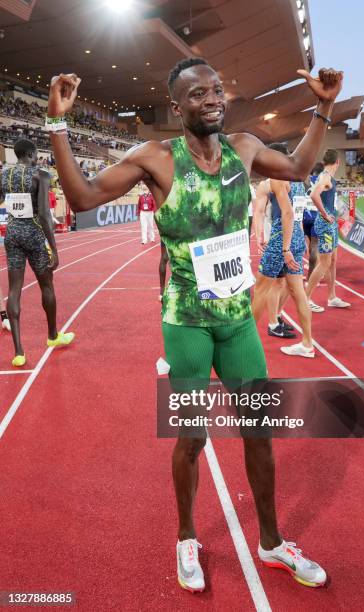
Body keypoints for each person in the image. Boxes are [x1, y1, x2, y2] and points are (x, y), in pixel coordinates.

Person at [47, 59, 343, 592]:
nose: (212, 99)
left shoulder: (244, 148)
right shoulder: (156, 158)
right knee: (192, 437)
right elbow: (83, 198)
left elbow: (300, 168)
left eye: (216, 90)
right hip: (186, 321)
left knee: (260, 432)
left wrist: (322, 106)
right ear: (177, 106)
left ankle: (272, 542)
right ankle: (187, 535)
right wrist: (57, 125)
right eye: (198, 93)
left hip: (236, 320)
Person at [1, 139, 75, 367]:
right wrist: (53, 246)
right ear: (32, 154)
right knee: (46, 285)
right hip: (33, 235)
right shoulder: (40, 175)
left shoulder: (4, 174)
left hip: (11, 234)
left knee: (13, 290)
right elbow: (44, 214)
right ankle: (53, 336)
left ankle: (19, 352)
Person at [252, 143, 313, 357]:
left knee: (260, 289)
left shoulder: (278, 178)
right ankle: (307, 345)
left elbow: (287, 214)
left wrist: (285, 247)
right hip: (295, 235)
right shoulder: (299, 180)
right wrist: (259, 233)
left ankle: (244, 344)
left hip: (282, 238)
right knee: (298, 292)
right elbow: (260, 211)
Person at [305, 149, 351, 311]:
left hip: (330, 224)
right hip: (325, 225)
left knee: (332, 262)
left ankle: (332, 297)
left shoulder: (327, 177)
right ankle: (306, 299)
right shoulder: (325, 176)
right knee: (324, 263)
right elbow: (314, 195)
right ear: (337, 162)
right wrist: (324, 214)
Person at [303, 161, 323, 281]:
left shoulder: (305, 180)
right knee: (316, 245)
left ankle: (312, 267)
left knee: (311, 244)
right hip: (316, 216)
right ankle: (311, 275)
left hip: (305, 216)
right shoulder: (324, 182)